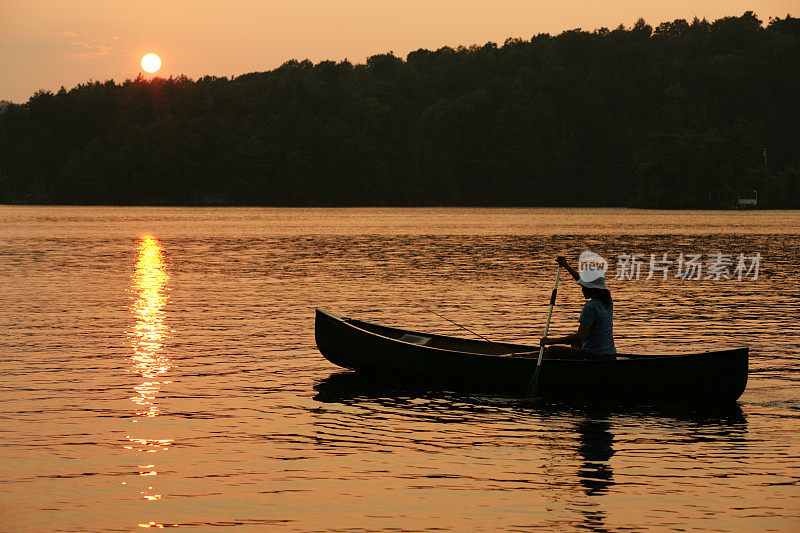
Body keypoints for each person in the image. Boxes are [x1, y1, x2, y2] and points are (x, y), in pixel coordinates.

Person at [539, 256, 616, 359]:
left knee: (551, 350)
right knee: (576, 344)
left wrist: (550, 341)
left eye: (583, 287)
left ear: (590, 289)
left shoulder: (590, 307)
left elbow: (580, 335)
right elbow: (580, 279)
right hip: (610, 354)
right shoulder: (607, 300)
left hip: (593, 355)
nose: (582, 289)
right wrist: (566, 266)